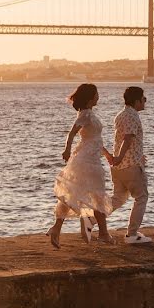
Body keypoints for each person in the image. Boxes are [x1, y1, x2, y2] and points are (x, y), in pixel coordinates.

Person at [47, 83, 115, 249]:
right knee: (97, 194)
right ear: (91, 97)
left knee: (77, 194)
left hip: (91, 158)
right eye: (97, 94)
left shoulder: (89, 114)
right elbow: (72, 133)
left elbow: (96, 140)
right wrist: (67, 150)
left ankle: (56, 228)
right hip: (86, 160)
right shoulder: (85, 114)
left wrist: (107, 155)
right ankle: (104, 234)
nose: (99, 96)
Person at [111, 86, 152, 244]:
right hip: (130, 165)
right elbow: (127, 139)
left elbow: (124, 139)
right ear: (136, 101)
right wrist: (121, 157)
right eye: (143, 99)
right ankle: (132, 234)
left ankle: (92, 219)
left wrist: (120, 159)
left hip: (118, 167)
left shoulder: (121, 115)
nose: (145, 101)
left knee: (118, 198)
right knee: (141, 197)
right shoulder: (132, 116)